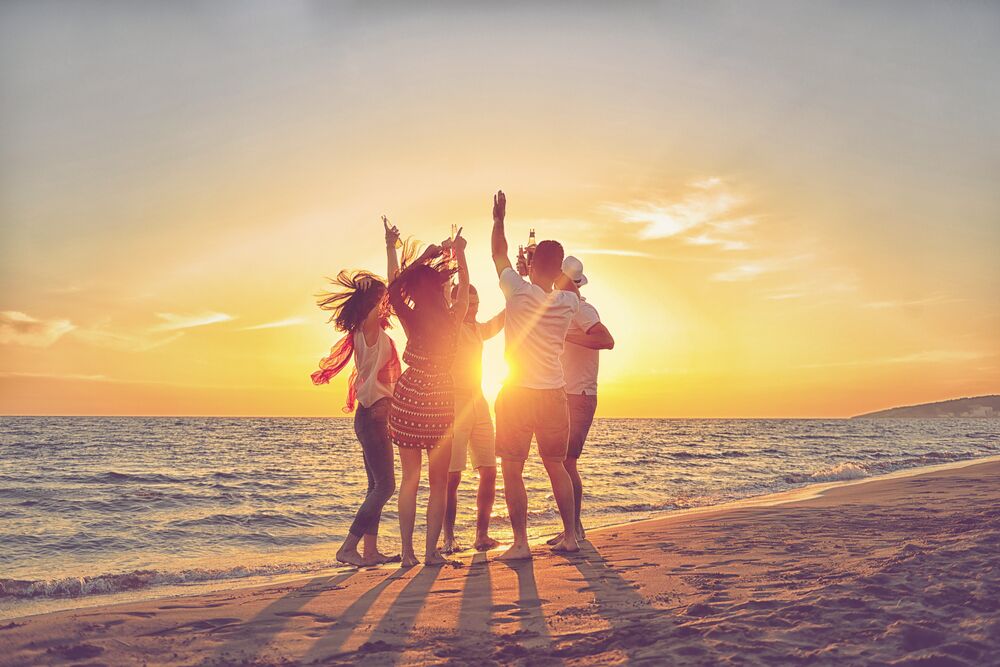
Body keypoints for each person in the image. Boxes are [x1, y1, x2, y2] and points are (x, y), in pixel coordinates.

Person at [489, 189, 582, 560]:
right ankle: (571, 536)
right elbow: (568, 286)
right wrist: (552, 273)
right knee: (556, 466)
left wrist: (499, 219)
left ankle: (521, 543)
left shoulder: (517, 291)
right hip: (553, 393)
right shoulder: (568, 302)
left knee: (513, 469)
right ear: (559, 270)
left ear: (531, 263)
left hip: (517, 392)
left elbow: (497, 253)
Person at [310, 217, 405, 566]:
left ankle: (369, 551)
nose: (385, 303)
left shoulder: (364, 331)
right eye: (379, 300)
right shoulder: (369, 329)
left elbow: (390, 292)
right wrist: (389, 248)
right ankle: (347, 548)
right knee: (386, 487)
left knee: (375, 487)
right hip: (376, 414)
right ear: (371, 305)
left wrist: (390, 248)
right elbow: (393, 288)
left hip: (370, 416)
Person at [388, 229, 471, 567]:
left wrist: (422, 260)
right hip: (438, 395)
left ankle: (407, 553)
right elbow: (465, 288)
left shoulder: (411, 316)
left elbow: (393, 289)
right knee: (438, 485)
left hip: (408, 393)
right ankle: (430, 552)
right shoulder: (453, 318)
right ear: (438, 288)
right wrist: (461, 253)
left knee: (410, 479)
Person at [547, 255, 614, 546]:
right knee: (564, 461)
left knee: (566, 462)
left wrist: (568, 339)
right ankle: (573, 529)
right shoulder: (565, 308)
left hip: (580, 395)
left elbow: (606, 340)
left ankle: (574, 531)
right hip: (567, 393)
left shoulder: (583, 310)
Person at [442, 284, 504, 553]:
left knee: (489, 470)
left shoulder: (478, 330)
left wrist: (518, 294)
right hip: (454, 404)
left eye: (477, 303)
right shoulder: (449, 328)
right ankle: (448, 538)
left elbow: (500, 321)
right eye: (470, 303)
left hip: (479, 403)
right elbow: (444, 300)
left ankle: (481, 535)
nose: (474, 308)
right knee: (451, 477)